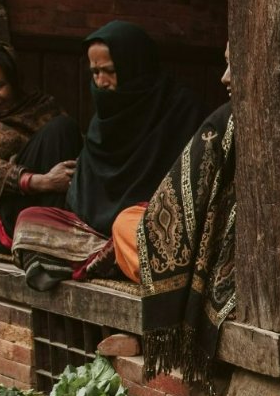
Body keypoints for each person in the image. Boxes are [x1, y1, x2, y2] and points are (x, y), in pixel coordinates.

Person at [11, 21, 208, 289]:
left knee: (129, 228)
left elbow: (188, 188)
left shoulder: (180, 109)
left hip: (145, 226)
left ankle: (101, 257)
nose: (101, 83)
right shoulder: (104, 119)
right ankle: (106, 258)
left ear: (135, 67)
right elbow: (88, 193)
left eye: (110, 72)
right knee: (29, 221)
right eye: (95, 73)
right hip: (94, 234)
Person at [108, 47, 237, 384]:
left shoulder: (226, 119)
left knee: (125, 224)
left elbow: (174, 208)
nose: (224, 77)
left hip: (223, 261)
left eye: (233, 65)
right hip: (233, 255)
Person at [0, 40, 80, 252]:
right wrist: (43, 182)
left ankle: (58, 233)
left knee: (62, 129)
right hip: (7, 218)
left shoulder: (39, 107)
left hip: (52, 204)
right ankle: (49, 241)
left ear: (14, 81)